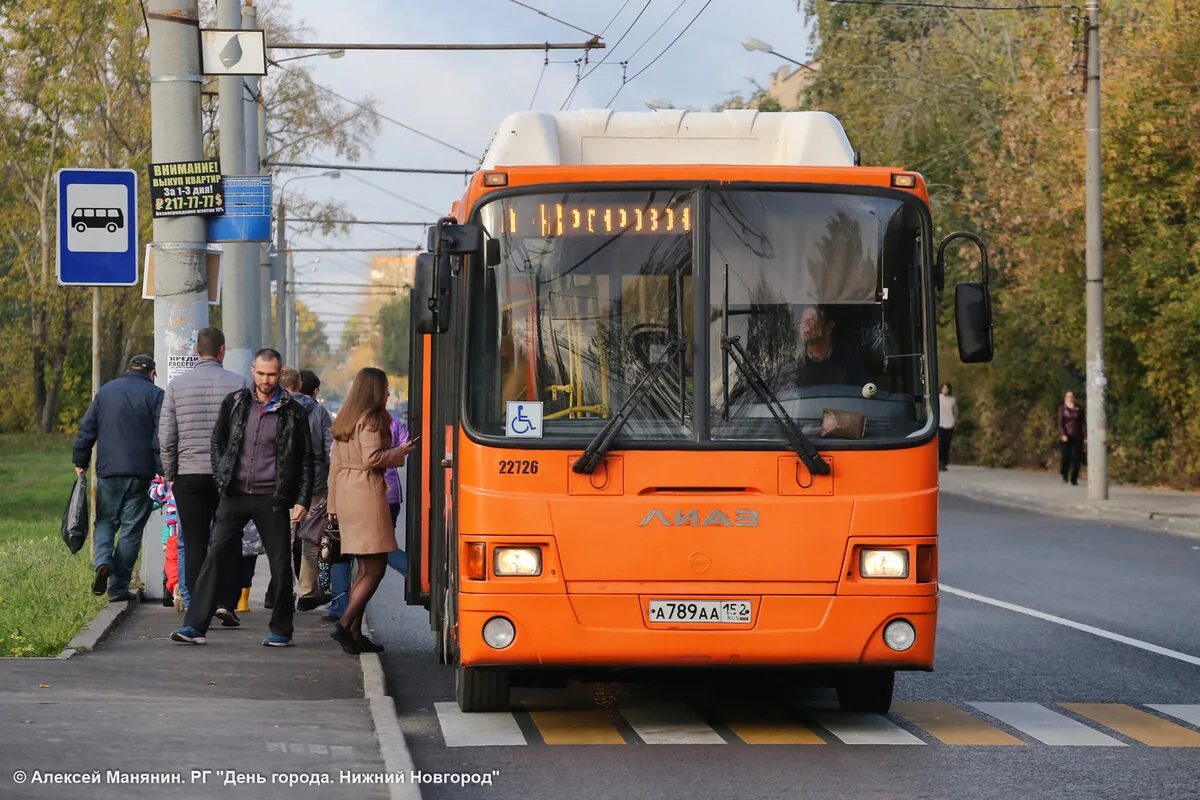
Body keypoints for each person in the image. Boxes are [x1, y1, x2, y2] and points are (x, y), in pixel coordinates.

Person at [171, 348, 313, 647]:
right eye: (261, 373)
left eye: (272, 374)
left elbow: (306, 459)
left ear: (279, 373)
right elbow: (217, 442)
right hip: (234, 494)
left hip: (271, 497)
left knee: (280, 563)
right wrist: (222, 479)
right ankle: (195, 626)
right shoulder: (235, 402)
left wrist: (302, 499)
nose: (266, 379)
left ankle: (281, 631)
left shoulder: (294, 411)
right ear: (252, 371)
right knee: (215, 556)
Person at [158, 327, 248, 622]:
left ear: (197, 351)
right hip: (228, 477)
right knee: (228, 539)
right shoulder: (239, 384)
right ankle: (225, 601)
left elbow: (167, 436)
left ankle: (199, 605)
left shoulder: (177, 386)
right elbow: (245, 434)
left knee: (194, 541)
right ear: (222, 351)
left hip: (188, 474)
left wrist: (171, 473)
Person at [327, 368, 416, 654]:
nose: (389, 394)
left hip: (346, 494)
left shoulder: (346, 418)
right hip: (367, 494)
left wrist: (332, 506)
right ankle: (344, 625)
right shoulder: (372, 420)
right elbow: (372, 458)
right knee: (375, 568)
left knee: (365, 566)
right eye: (386, 388)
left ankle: (354, 634)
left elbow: (335, 466)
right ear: (374, 391)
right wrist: (400, 452)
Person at [72, 354, 164, 602]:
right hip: (142, 473)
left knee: (105, 522)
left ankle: (103, 561)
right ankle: (117, 587)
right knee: (131, 531)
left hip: (109, 471)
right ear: (151, 373)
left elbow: (87, 428)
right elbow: (160, 437)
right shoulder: (156, 395)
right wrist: (162, 470)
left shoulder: (106, 392)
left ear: (127, 370)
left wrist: (80, 460)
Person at [291, 368, 334, 612]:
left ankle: (280, 591)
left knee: (283, 539)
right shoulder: (320, 413)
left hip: (285, 482)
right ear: (313, 390)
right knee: (310, 536)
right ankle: (306, 591)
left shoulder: (280, 407)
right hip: (316, 482)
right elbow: (331, 449)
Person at [793, 304, 870, 388]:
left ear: (829, 327)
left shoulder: (849, 362)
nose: (805, 324)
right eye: (803, 320)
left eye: (812, 319)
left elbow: (868, 391)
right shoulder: (795, 367)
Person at [1057, 390, 1086, 486]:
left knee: (1077, 457)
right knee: (1066, 456)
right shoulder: (1062, 408)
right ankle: (1064, 474)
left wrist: (1085, 436)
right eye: (1067, 396)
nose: (1069, 398)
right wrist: (1063, 434)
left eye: (1071, 396)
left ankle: (1074, 478)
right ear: (1065, 398)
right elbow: (1060, 423)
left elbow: (1083, 423)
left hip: (1078, 435)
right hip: (1067, 436)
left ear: (1074, 398)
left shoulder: (1079, 409)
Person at [938, 383, 957, 471]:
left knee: (947, 445)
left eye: (947, 388)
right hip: (940, 424)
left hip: (949, 424)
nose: (945, 389)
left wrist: (954, 421)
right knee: (941, 444)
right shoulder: (938, 398)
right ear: (941, 389)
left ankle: (944, 463)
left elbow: (955, 411)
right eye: (944, 388)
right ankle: (939, 462)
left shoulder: (952, 399)